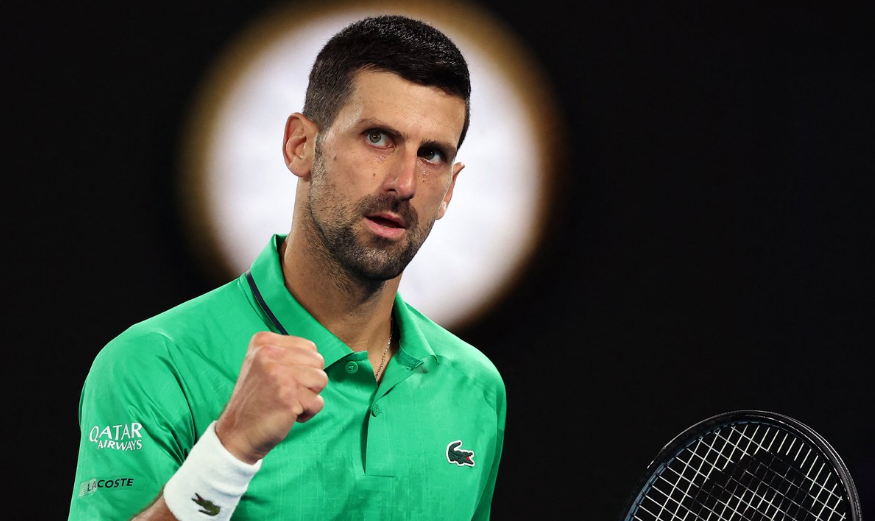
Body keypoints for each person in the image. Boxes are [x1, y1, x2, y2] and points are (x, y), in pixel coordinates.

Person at [67, 14, 506, 521]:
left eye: (431, 154)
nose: (404, 182)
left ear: (450, 189)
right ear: (301, 146)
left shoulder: (476, 389)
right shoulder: (150, 364)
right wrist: (228, 451)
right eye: (379, 138)